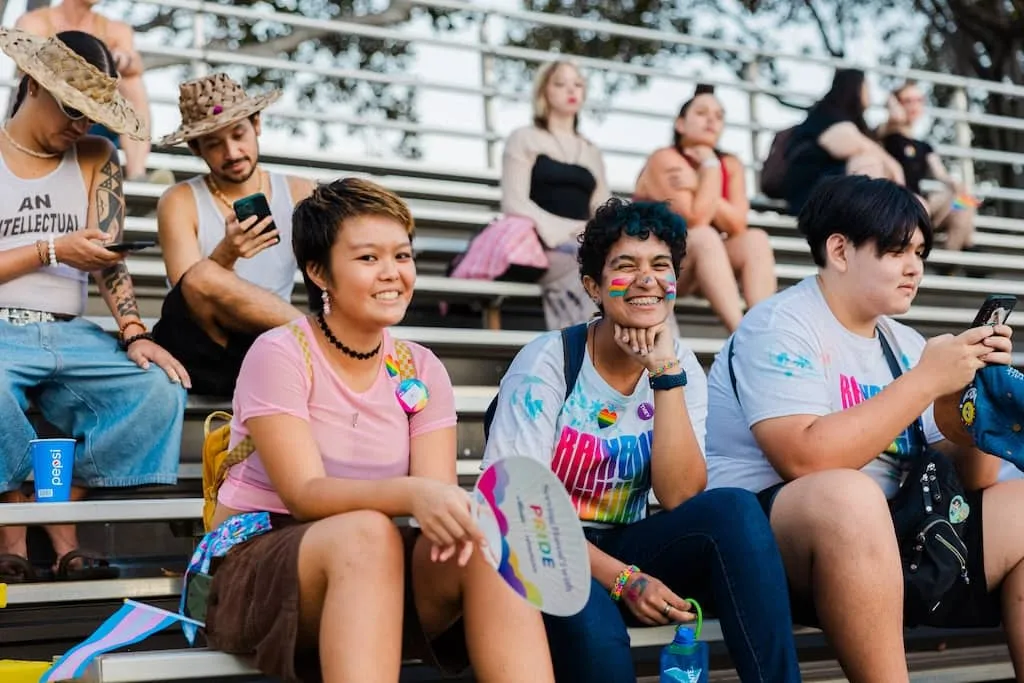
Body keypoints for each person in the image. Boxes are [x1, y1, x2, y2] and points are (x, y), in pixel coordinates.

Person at [201, 177, 555, 683]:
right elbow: (304, 494)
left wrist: (460, 513)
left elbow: (435, 508)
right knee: (368, 533)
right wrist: (414, 494)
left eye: (403, 256)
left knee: (482, 540)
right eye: (368, 258)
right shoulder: (279, 353)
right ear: (319, 271)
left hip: (375, 568)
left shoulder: (423, 367)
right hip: (261, 567)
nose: (393, 274)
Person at [706, 175, 1024, 683]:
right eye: (897, 250)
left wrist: (974, 400)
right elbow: (803, 460)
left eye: (920, 252)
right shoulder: (779, 326)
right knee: (848, 496)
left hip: (897, 534)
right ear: (840, 250)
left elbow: (974, 479)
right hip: (773, 538)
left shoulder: (903, 341)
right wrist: (924, 381)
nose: (914, 267)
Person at [483, 198, 801, 682]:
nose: (647, 279)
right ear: (592, 285)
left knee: (734, 509)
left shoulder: (680, 364)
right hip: (547, 547)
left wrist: (665, 377)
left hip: (629, 541)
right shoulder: (548, 361)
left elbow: (680, 495)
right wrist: (624, 580)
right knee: (599, 637)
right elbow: (514, 507)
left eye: (660, 265)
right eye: (625, 266)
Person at [0, 28, 186, 583]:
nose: (80, 125)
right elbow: (69, 250)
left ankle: (55, 507)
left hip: (73, 332)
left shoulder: (96, 155)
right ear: (32, 83)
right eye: (71, 109)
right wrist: (51, 248)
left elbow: (107, 257)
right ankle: (18, 530)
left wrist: (133, 330)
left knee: (158, 387)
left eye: (91, 114)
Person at [152, 73, 314, 397]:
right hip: (202, 344)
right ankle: (323, 346)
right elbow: (192, 290)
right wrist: (226, 254)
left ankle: (323, 347)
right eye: (214, 144)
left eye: (238, 134)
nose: (232, 152)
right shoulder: (179, 200)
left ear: (257, 125)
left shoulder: (299, 191)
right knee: (202, 278)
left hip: (269, 341)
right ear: (196, 148)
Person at [634, 85, 777, 332]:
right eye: (701, 112)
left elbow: (737, 224)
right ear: (680, 124)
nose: (711, 119)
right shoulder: (664, 158)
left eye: (719, 116)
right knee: (704, 235)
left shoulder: (730, 163)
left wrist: (700, 183)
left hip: (709, 264)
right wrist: (710, 168)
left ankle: (765, 329)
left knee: (755, 239)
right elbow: (695, 218)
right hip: (663, 266)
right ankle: (741, 333)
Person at [502, 60, 611, 330]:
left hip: (583, 243)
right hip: (539, 246)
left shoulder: (591, 150)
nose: (570, 90)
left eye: (577, 84)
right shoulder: (524, 138)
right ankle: (580, 355)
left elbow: (602, 206)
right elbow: (514, 202)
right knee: (584, 269)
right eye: (560, 84)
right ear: (544, 92)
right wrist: (570, 230)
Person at [15, 0, 157, 182]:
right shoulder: (34, 22)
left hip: (96, 120)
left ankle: (137, 174)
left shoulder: (115, 28)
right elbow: (25, 67)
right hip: (50, 110)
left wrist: (121, 60)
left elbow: (136, 66)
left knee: (131, 81)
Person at [783, 69, 904, 216]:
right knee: (867, 163)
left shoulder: (857, 124)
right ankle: (871, 224)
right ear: (855, 87)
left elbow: (893, 125)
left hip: (834, 195)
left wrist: (893, 107)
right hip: (811, 195)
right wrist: (894, 166)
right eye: (867, 87)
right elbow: (854, 145)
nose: (870, 94)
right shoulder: (827, 114)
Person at [879, 81, 976, 253]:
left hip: (923, 205)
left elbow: (941, 174)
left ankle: (951, 260)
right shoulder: (886, 135)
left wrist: (955, 185)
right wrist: (893, 104)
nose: (914, 105)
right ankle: (965, 248)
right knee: (922, 203)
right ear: (896, 104)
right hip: (897, 204)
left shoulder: (924, 146)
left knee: (965, 201)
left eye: (918, 100)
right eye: (907, 101)